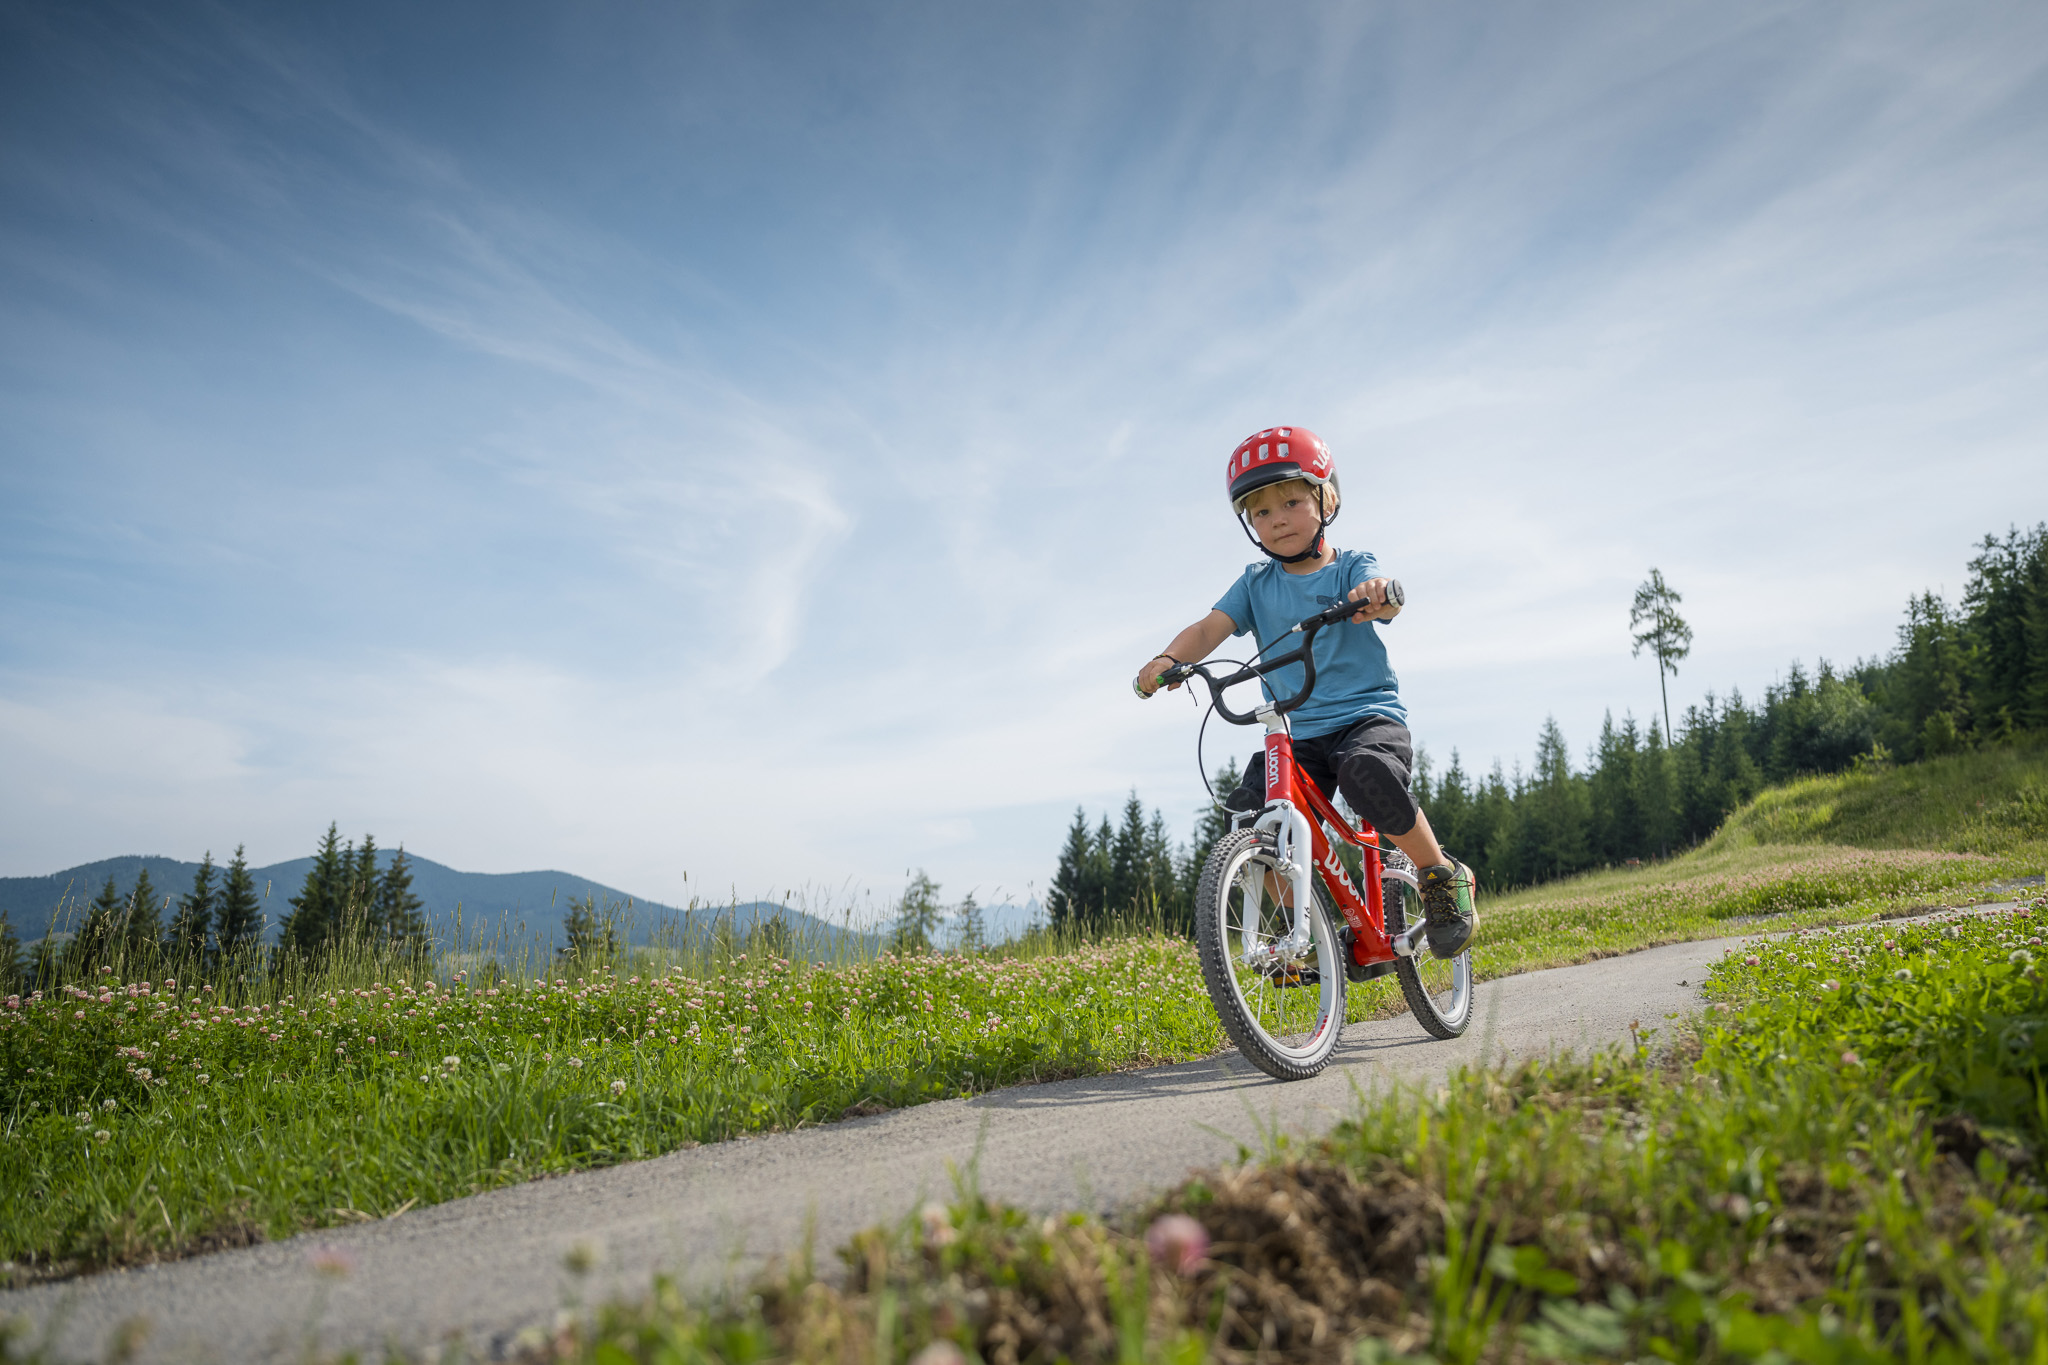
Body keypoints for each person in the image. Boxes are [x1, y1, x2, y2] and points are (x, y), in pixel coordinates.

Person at [1133, 425, 1476, 958]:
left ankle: (1439, 875)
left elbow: (1385, 599)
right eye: (1261, 513)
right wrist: (1168, 659)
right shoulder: (1254, 584)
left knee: (1367, 773)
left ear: (1327, 499)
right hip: (1302, 732)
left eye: (1291, 501)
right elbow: (1207, 630)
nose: (1277, 520)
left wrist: (1377, 596)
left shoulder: (1350, 567)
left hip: (1367, 717)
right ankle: (1310, 932)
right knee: (1254, 815)